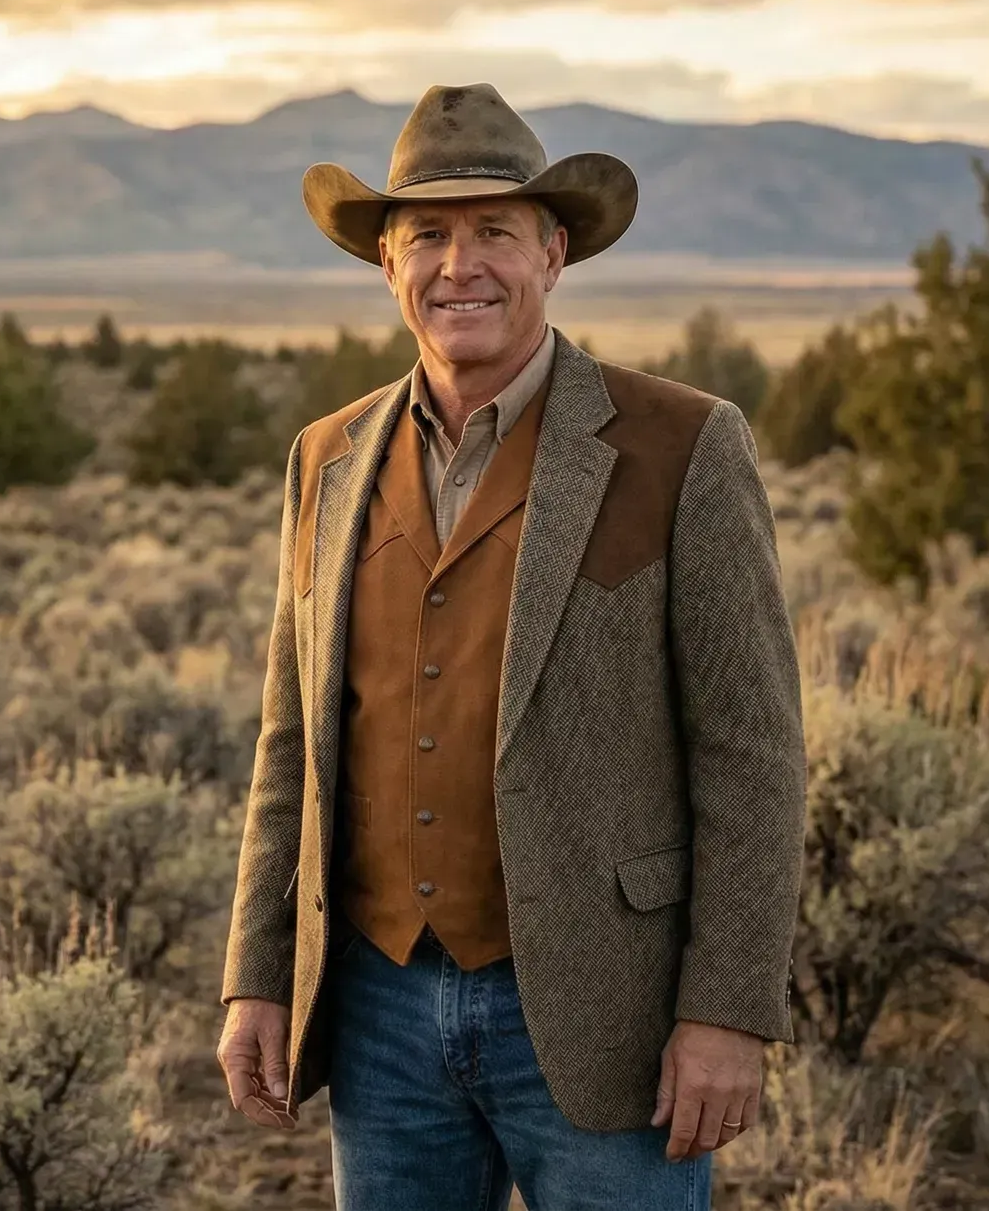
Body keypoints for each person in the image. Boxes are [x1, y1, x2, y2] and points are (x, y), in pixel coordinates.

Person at [215, 84, 806, 1210]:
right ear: (386, 264)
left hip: (607, 1011)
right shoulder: (326, 458)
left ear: (554, 250)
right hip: (378, 1007)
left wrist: (726, 1012)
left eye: (495, 230)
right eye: (427, 235)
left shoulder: (681, 444)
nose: (460, 265)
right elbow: (291, 743)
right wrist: (258, 976)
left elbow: (753, 754)